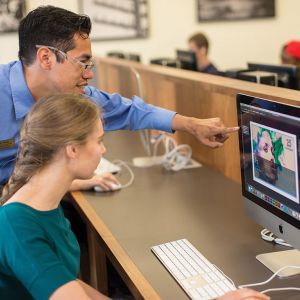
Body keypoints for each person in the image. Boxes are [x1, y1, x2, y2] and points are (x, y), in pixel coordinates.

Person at [0, 94, 269, 300]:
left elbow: (65, 281)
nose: (104, 150)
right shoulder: (18, 225)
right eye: (99, 140)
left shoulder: (43, 201)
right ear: (71, 149)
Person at [0, 5, 238, 191]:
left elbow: (129, 111)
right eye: (82, 62)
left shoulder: (68, 95)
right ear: (45, 58)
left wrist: (192, 125)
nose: (89, 74)